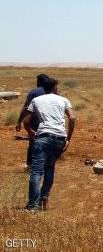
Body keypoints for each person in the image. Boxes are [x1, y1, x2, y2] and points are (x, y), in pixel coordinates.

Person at [23, 77, 75, 212]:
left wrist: (31, 132)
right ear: (55, 87)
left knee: (36, 172)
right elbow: (72, 118)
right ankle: (44, 197)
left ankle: (33, 206)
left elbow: (26, 121)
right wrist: (68, 138)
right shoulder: (63, 100)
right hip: (59, 139)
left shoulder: (36, 100)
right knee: (50, 168)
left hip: (43, 138)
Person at [15, 74, 49, 171]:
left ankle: (30, 165)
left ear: (38, 82)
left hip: (36, 121)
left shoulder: (34, 92)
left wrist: (19, 122)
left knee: (33, 142)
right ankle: (46, 165)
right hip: (51, 122)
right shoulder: (54, 92)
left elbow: (26, 108)